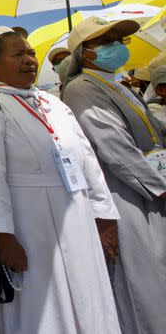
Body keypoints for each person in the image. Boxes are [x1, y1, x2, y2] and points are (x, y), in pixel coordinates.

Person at [0, 26, 121, 334]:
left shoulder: (52, 102)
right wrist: (3, 235)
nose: (30, 60)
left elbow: (86, 159)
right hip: (27, 225)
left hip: (77, 215)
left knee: (91, 298)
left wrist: (103, 214)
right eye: (18, 54)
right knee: (44, 307)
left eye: (32, 53)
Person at [60, 17, 166, 334]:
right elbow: (114, 147)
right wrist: (160, 187)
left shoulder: (117, 84)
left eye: (120, 39)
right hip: (128, 196)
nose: (117, 46)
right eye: (106, 41)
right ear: (85, 52)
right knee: (146, 283)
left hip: (152, 190)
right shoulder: (81, 89)